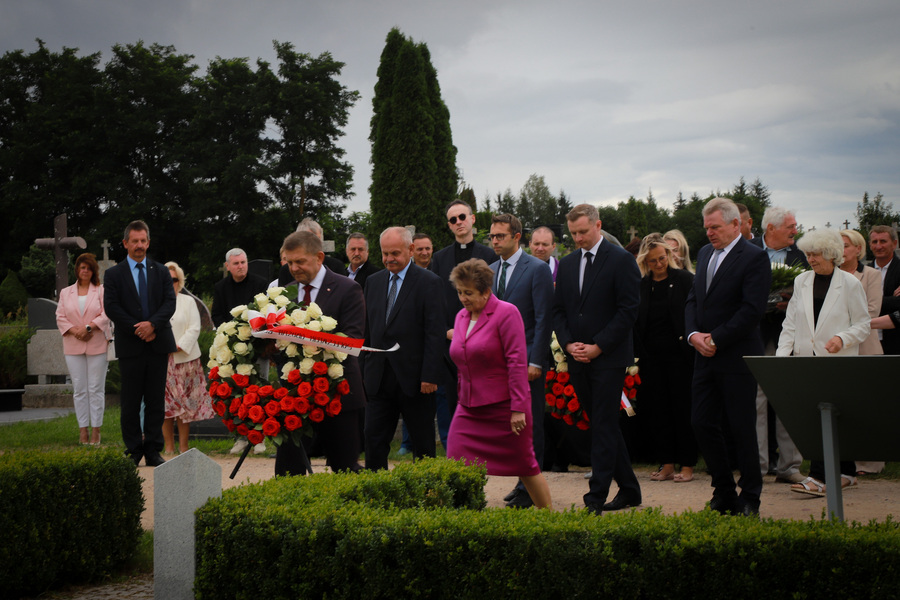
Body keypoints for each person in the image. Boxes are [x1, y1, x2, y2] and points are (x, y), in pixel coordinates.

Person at [552, 204, 642, 515]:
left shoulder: (621, 260)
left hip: (609, 357)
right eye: (573, 233)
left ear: (598, 225)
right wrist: (568, 344)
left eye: (583, 232)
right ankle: (629, 489)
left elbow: (628, 310)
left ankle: (595, 498)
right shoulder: (566, 265)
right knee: (603, 425)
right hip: (577, 357)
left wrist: (598, 346)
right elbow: (559, 311)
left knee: (604, 425)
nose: (578, 238)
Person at [685, 198, 771, 516]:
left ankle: (750, 497)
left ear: (736, 225)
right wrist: (694, 335)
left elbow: (752, 310)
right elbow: (694, 300)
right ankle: (723, 492)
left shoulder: (754, 258)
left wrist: (716, 339)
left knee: (741, 427)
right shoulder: (706, 254)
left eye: (715, 227)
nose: (709, 233)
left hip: (736, 356)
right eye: (707, 227)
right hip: (704, 355)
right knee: (701, 422)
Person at [446, 258, 552, 509]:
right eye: (460, 292)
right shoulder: (461, 316)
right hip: (468, 408)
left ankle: (553, 522)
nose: (463, 298)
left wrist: (518, 409)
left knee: (526, 466)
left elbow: (517, 363)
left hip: (505, 408)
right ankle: (465, 515)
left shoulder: (507, 313)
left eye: (469, 293)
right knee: (455, 461)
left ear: (486, 291)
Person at [777, 230, 871, 497]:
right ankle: (847, 472)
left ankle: (819, 477)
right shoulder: (801, 281)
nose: (810, 259)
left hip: (837, 362)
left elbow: (863, 325)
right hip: (806, 360)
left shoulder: (850, 284)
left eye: (815, 254)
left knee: (830, 417)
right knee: (817, 415)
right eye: (807, 254)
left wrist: (842, 338)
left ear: (831, 254)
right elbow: (791, 323)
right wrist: (782, 357)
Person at [274, 231, 366, 476]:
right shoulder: (286, 292)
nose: (294, 268)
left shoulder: (348, 288)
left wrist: (307, 339)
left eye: (300, 261)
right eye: (289, 262)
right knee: (287, 472)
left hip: (338, 393)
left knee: (345, 470)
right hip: (296, 394)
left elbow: (353, 340)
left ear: (319, 257)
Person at [364, 227, 448, 470]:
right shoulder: (373, 282)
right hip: (379, 377)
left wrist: (430, 375)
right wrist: (364, 369)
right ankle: (374, 492)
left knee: (422, 445)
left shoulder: (430, 282)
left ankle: (425, 496)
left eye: (395, 253)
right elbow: (369, 329)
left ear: (410, 250)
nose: (389, 259)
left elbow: (435, 333)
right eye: (385, 253)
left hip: (416, 380)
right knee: (373, 438)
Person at [487, 214, 554, 508]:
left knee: (530, 424)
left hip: (527, 362)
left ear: (517, 237)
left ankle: (530, 490)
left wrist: (537, 361)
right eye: (492, 236)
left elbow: (543, 319)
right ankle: (521, 482)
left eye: (500, 236)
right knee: (510, 425)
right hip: (498, 363)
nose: (495, 241)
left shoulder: (537, 269)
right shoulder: (488, 271)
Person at [104, 220, 177, 467]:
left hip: (157, 342)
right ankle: (134, 449)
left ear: (148, 242)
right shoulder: (113, 274)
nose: (139, 245)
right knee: (131, 401)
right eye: (134, 241)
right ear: (125, 243)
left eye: (143, 241)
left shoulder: (161, 271)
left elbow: (169, 303)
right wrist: (139, 328)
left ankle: (153, 450)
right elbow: (111, 306)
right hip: (131, 345)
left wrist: (152, 325)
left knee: (156, 399)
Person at [750, 206, 809, 484]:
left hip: (790, 336)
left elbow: (812, 293)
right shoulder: (748, 250)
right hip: (755, 335)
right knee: (756, 401)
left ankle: (789, 466)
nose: (795, 231)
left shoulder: (802, 256)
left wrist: (791, 304)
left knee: (788, 399)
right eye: (790, 227)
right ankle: (757, 466)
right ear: (770, 228)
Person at [633, 234, 697, 483]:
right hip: (652, 358)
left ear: (669, 256)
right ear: (644, 262)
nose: (659, 264)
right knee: (658, 411)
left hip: (681, 358)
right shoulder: (642, 285)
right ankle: (667, 463)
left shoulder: (684, 280)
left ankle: (688, 464)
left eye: (662, 258)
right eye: (652, 261)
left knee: (683, 409)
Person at [430, 199, 496, 418]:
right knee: (454, 403)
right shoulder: (439, 258)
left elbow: (495, 296)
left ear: (472, 219)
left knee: (483, 401)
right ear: (449, 225)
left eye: (462, 217)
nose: (458, 222)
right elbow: (435, 302)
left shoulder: (489, 256)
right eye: (453, 219)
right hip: (452, 340)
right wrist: (446, 330)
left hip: (484, 339)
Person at [841, 229, 886, 474]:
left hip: (864, 346)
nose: (842, 250)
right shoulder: (832, 274)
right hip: (836, 349)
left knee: (867, 406)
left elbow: (872, 311)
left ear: (858, 249)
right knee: (845, 407)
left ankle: (871, 463)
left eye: (846, 245)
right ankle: (846, 459)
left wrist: (839, 327)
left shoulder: (871, 275)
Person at [56, 253, 110, 446]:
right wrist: (76, 331)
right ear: (77, 270)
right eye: (82, 267)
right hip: (73, 344)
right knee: (79, 390)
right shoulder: (65, 293)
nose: (85, 270)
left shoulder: (101, 290)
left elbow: (106, 314)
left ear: (93, 270)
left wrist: (89, 327)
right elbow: (60, 316)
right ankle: (82, 431)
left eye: (88, 267)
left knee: (95, 388)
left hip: (97, 343)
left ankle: (96, 431)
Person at [162, 262, 215, 455]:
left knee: (185, 409)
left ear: (180, 281)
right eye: (167, 280)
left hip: (185, 359)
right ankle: (168, 446)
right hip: (163, 359)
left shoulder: (188, 301)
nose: (171, 283)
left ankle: (183, 446)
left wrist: (178, 345)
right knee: (165, 406)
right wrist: (164, 346)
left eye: (174, 280)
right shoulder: (156, 301)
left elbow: (195, 327)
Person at [276, 218, 345, 286]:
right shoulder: (286, 270)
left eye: (317, 239)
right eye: (308, 240)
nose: (294, 268)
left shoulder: (336, 266)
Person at [211, 248, 268, 327]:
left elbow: (264, 310)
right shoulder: (220, 287)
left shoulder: (261, 284)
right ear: (227, 266)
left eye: (243, 262)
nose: (240, 266)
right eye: (236, 263)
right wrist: (229, 330)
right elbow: (216, 315)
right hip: (229, 334)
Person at [869, 225, 900, 354]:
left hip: (895, 340)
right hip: (868, 340)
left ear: (894, 243)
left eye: (883, 241)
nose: (878, 246)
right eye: (874, 242)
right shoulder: (864, 271)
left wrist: (871, 303)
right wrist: (891, 300)